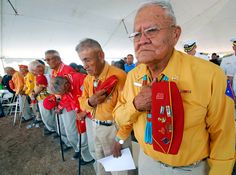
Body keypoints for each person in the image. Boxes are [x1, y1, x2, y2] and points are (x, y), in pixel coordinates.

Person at [113, 1, 235, 175]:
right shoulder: (133, 76)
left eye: (151, 30)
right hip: (147, 162)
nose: (142, 40)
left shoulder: (210, 75)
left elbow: (223, 136)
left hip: (189, 169)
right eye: (136, 34)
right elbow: (118, 116)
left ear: (175, 34)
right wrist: (136, 104)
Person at [75, 38, 132, 175]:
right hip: (95, 126)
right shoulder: (89, 78)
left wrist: (120, 139)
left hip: (114, 129)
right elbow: (82, 101)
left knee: (119, 170)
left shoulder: (119, 76)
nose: (85, 65)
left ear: (101, 55)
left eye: (87, 60)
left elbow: (129, 111)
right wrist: (90, 102)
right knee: (102, 165)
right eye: (83, 61)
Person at [50, 74, 94, 163]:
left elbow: (93, 97)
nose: (65, 94)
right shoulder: (65, 86)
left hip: (90, 112)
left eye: (64, 92)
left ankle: (89, 157)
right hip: (80, 111)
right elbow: (68, 98)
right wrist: (61, 107)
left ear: (66, 85)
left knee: (86, 137)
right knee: (81, 135)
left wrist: (84, 112)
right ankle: (86, 155)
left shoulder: (80, 79)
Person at [28, 61, 56, 133]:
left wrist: (34, 94)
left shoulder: (41, 76)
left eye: (32, 70)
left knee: (47, 115)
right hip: (43, 97)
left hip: (44, 98)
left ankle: (52, 129)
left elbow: (40, 88)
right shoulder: (40, 76)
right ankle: (52, 128)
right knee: (47, 115)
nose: (32, 72)